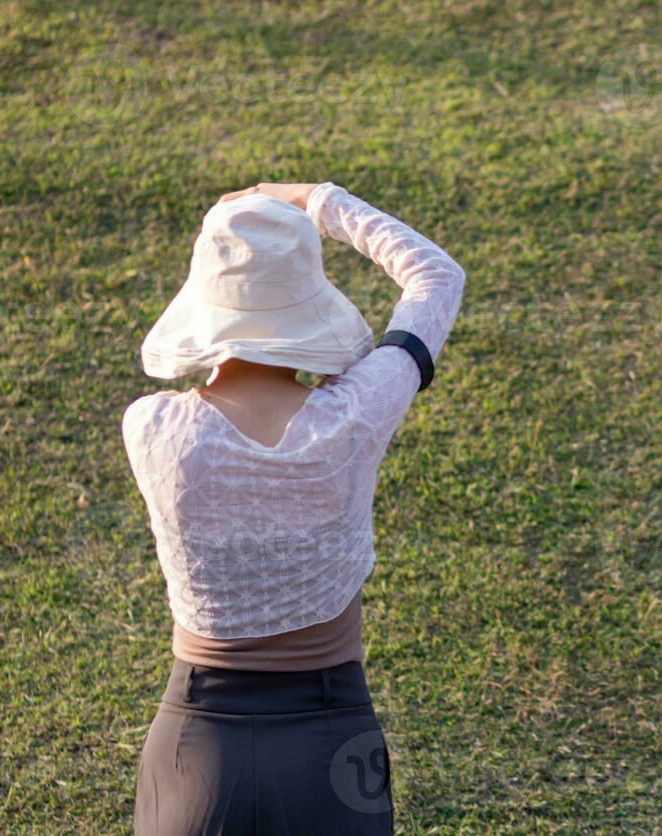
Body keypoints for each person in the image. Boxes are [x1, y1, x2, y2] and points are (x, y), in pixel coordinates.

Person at [121, 181, 465, 834]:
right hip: (332, 737)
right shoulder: (353, 415)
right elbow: (435, 275)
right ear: (308, 307)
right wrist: (316, 200)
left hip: (196, 740)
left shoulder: (151, 428)